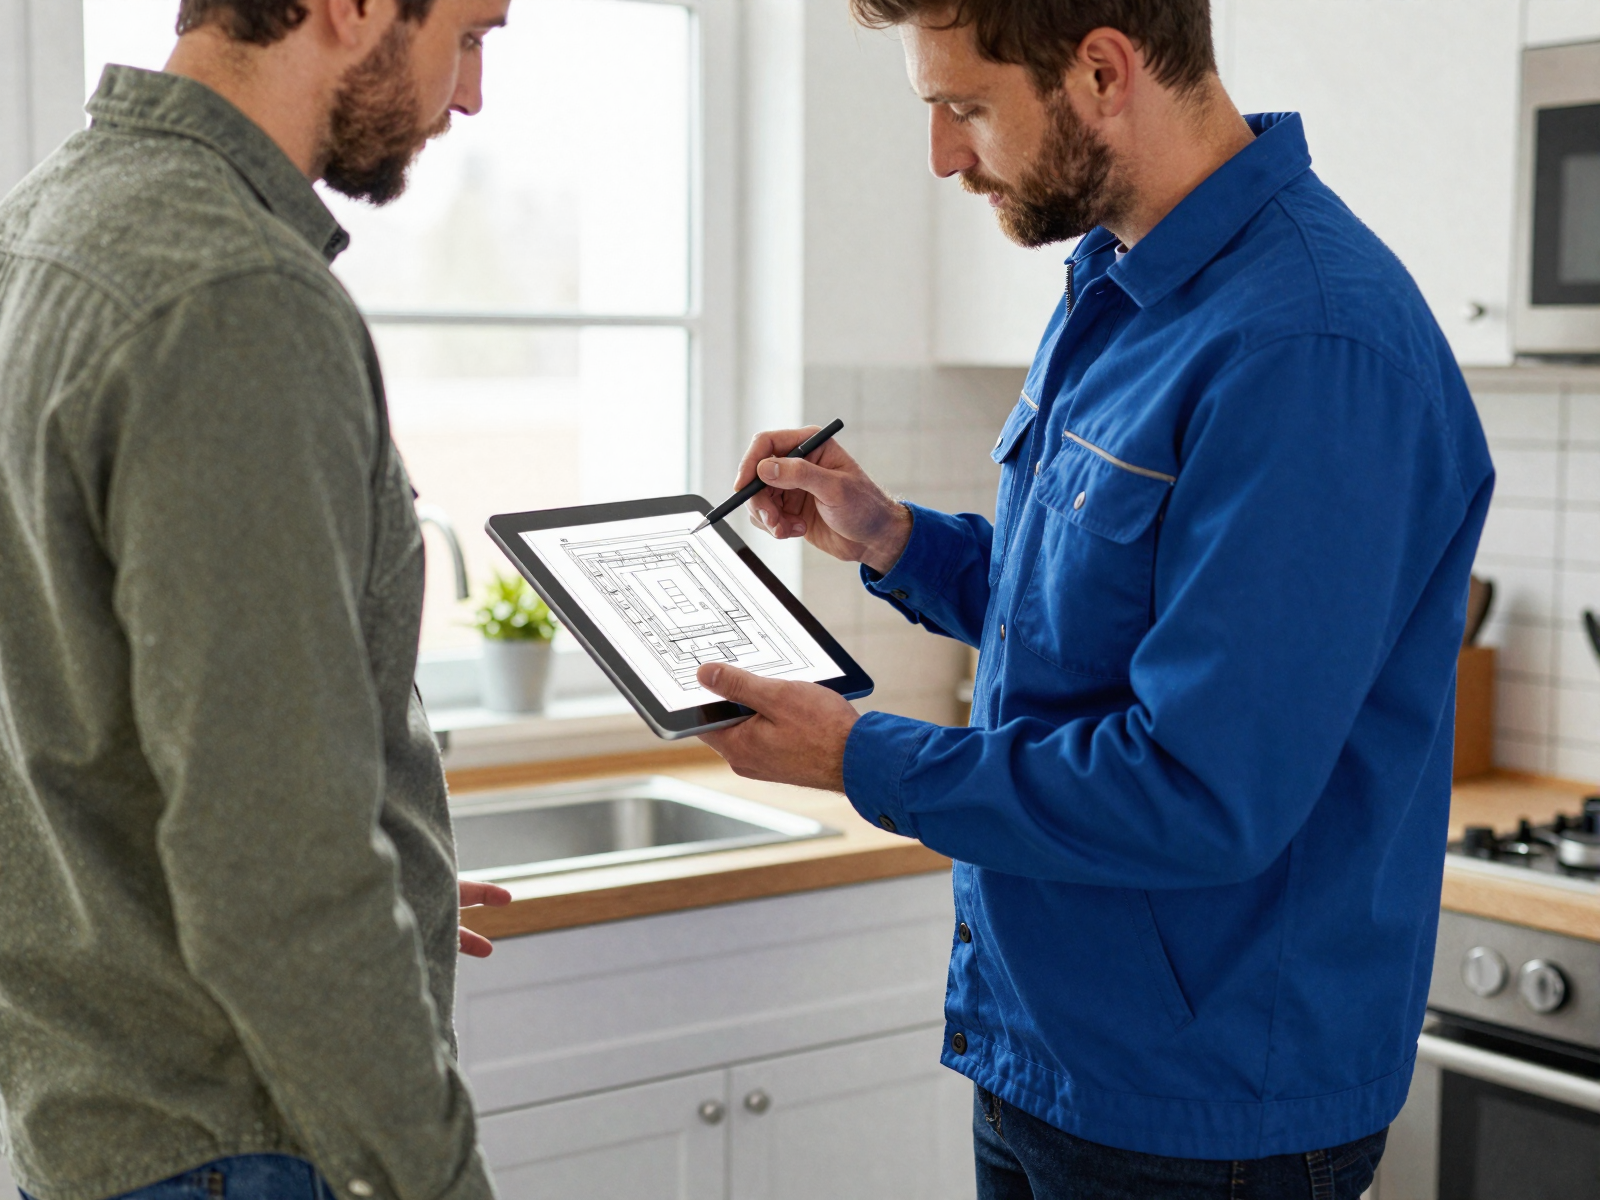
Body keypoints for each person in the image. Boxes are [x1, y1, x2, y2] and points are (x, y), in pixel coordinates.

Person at [694, 2, 1493, 1197]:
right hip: (1047, 1055)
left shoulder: (1309, 346)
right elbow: (1094, 613)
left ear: (1103, 70)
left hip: (1202, 1114)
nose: (945, 156)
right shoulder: (1123, 283)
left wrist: (861, 755)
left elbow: (1199, 789)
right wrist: (900, 540)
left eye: (964, 108)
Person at [0, 1, 515, 1197]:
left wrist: (399, 884)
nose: (470, 95)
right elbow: (274, 874)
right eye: (473, 35)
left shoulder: (45, 223)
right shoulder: (234, 296)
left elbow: (87, 710)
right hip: (233, 1144)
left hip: (88, 1117)